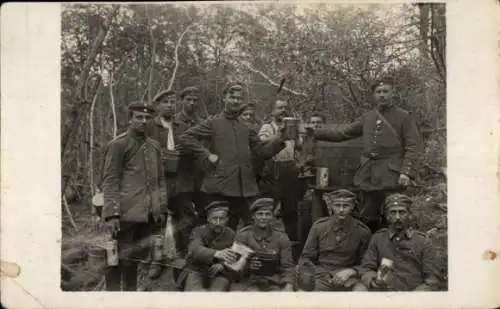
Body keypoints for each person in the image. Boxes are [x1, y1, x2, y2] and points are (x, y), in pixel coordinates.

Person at [308, 78, 421, 233]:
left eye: (386, 91)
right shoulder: (368, 117)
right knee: (367, 217)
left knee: (395, 215)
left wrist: (405, 172)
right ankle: (370, 251)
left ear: (392, 93)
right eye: (378, 92)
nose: (382, 95)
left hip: (391, 175)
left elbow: (413, 146)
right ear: (373, 95)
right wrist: (315, 132)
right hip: (369, 175)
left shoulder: (404, 117)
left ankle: (396, 252)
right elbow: (343, 133)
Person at [179, 82, 288, 231]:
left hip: (245, 188)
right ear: (224, 98)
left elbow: (262, 151)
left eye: (239, 98)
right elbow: (185, 138)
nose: (236, 101)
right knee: (221, 231)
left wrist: (279, 137)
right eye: (232, 97)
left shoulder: (246, 126)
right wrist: (207, 154)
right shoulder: (213, 123)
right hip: (220, 189)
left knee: (254, 229)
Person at [101, 102, 168, 291]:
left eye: (147, 118)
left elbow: (160, 181)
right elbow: (110, 180)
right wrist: (112, 214)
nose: (143, 121)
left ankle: (130, 295)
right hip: (124, 215)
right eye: (139, 117)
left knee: (135, 260)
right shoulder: (119, 144)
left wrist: (160, 208)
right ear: (130, 119)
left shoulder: (154, 146)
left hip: (147, 215)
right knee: (114, 261)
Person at [150, 87, 205, 259]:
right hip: (158, 180)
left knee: (185, 218)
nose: (169, 106)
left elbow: (195, 149)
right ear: (158, 106)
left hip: (182, 179)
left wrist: (186, 151)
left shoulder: (182, 126)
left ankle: (186, 254)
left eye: (172, 102)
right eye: (165, 102)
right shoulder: (151, 126)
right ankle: (155, 260)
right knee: (157, 219)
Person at [355, 193, 440, 291]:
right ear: (387, 215)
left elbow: (432, 279)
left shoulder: (422, 241)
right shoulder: (378, 238)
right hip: (383, 292)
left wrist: (416, 296)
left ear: (409, 214)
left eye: (402, 212)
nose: (397, 217)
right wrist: (372, 280)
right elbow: (367, 268)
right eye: (393, 213)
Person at [258, 97, 307, 260]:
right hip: (272, 171)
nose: (283, 110)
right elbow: (263, 145)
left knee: (291, 212)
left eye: (285, 108)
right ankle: (262, 247)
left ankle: (293, 251)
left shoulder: (292, 127)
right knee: (266, 209)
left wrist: (299, 130)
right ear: (272, 111)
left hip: (290, 170)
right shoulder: (267, 127)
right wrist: (280, 134)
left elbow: (300, 146)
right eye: (279, 108)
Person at [298, 189, 372, 291]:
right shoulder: (319, 227)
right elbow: (306, 258)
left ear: (352, 207)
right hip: (321, 277)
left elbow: (367, 263)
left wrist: (350, 271)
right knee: (303, 293)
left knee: (361, 291)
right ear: (331, 206)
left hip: (349, 278)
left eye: (345, 206)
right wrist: (321, 274)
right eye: (337, 205)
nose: (341, 210)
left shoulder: (362, 231)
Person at [231, 198, 295, 291]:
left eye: (267, 214)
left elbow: (287, 267)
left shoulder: (281, 238)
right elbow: (234, 269)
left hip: (274, 282)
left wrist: (288, 284)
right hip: (248, 282)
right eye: (260, 214)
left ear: (272, 216)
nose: (264, 217)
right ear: (253, 216)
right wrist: (248, 265)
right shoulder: (243, 236)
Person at [177, 201, 237, 291]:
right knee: (195, 294)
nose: (218, 223)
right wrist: (216, 253)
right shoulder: (198, 231)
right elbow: (195, 249)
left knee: (216, 295)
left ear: (227, 219)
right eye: (214, 218)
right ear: (208, 219)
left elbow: (236, 255)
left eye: (221, 219)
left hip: (220, 273)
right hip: (196, 270)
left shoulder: (231, 234)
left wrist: (223, 265)